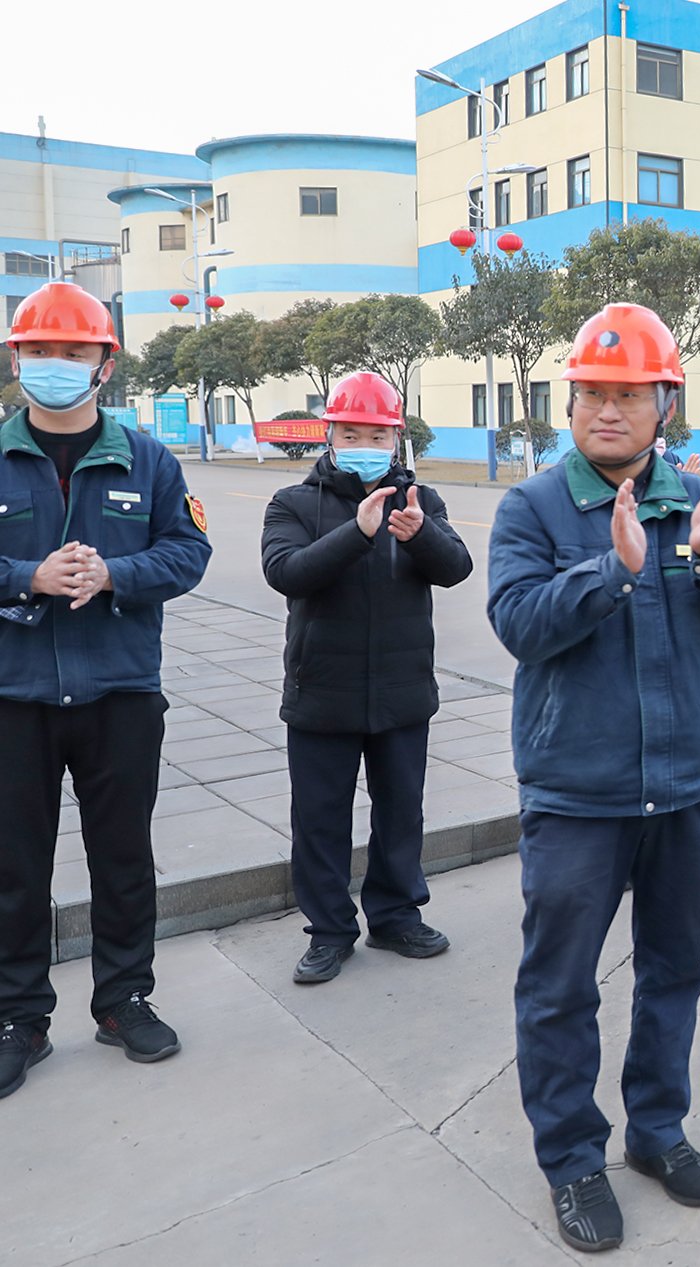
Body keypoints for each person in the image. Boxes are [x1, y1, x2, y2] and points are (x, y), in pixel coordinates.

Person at [489, 303, 700, 1251]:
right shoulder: (533, 507)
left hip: (691, 788)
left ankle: (657, 1129)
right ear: (570, 401)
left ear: (666, 404)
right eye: (592, 394)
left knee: (675, 970)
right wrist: (611, 572)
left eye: (629, 394)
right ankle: (573, 1159)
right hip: (579, 795)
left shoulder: (697, 497)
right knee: (560, 986)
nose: (608, 410)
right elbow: (519, 624)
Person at [0, 283, 211, 1097]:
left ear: (104, 364)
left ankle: (124, 998)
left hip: (120, 693)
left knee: (123, 858)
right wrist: (29, 576)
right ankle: (19, 1016)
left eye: (73, 351)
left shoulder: (147, 458)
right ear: (17, 359)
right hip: (15, 698)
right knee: (15, 866)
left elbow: (187, 551)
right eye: (39, 350)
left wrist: (115, 573)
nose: (55, 363)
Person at [261, 370, 473, 985]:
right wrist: (357, 533)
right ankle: (329, 931)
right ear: (330, 435)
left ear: (396, 439)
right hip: (321, 691)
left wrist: (421, 536)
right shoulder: (293, 503)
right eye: (350, 433)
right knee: (320, 820)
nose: (364, 445)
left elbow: (456, 567)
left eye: (377, 436)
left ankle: (396, 915)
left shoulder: (420, 502)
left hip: (402, 691)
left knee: (401, 813)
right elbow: (287, 572)